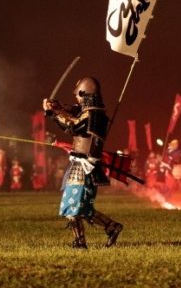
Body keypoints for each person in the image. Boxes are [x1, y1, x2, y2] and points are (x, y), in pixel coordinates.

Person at [43, 77, 123, 249]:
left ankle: (80, 243)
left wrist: (53, 114)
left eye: (79, 96)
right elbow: (73, 111)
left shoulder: (93, 116)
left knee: (72, 207)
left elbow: (73, 126)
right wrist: (57, 107)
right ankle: (111, 227)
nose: (77, 99)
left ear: (85, 94)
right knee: (83, 209)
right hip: (78, 164)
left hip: (84, 166)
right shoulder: (89, 112)